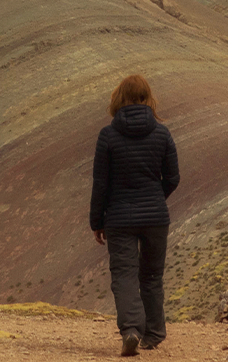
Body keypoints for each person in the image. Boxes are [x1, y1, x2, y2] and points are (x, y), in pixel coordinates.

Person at [89, 74, 180, 357]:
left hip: (119, 218)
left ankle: (131, 331)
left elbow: (100, 184)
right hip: (156, 218)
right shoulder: (163, 134)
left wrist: (97, 221)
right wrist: (154, 199)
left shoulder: (108, 135)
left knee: (124, 275)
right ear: (147, 98)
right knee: (152, 275)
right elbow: (173, 178)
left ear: (118, 100)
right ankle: (153, 334)